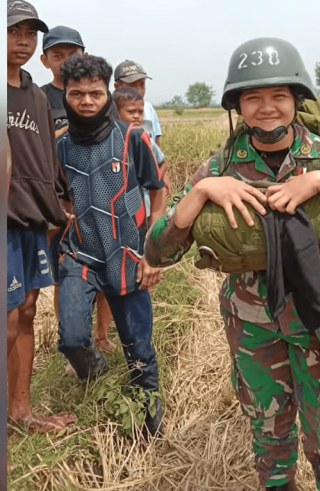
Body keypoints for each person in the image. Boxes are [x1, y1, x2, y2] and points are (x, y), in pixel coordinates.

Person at [145, 38, 320, 490]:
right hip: (254, 325)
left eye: (279, 96)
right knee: (270, 445)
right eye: (253, 97)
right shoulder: (220, 166)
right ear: (237, 106)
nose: (266, 108)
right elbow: (157, 252)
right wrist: (201, 193)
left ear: (297, 100)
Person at [56, 53, 166, 435]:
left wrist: (152, 253)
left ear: (108, 94)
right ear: (66, 95)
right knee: (71, 339)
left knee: (139, 353)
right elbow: (61, 196)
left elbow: (158, 190)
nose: (86, 101)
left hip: (128, 255)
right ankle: (99, 380)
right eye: (76, 94)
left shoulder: (133, 138)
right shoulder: (61, 147)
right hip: (80, 254)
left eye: (95, 93)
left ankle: (149, 430)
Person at [7, 0, 76, 433]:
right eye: (15, 31)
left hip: (34, 217)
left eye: (30, 34)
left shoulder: (36, 98)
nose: (23, 41)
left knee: (29, 309)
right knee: (9, 315)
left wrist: (62, 206)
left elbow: (48, 161)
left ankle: (21, 409)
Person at [39, 25, 116, 356]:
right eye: (57, 55)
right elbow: (34, 149)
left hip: (98, 201)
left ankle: (102, 334)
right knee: (63, 276)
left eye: (71, 54)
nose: (64, 60)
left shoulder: (99, 95)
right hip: (60, 204)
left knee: (105, 275)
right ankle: (72, 341)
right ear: (45, 60)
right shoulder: (39, 98)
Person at [113, 59, 172, 196]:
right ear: (117, 86)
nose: (139, 90)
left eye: (142, 84)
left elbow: (156, 145)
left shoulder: (149, 109)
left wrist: (163, 176)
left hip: (148, 188)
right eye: (132, 85)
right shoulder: (111, 112)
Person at [113, 86, 167, 218]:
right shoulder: (110, 142)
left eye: (140, 112)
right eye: (131, 112)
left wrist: (154, 178)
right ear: (115, 112)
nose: (137, 116)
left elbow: (163, 163)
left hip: (145, 207)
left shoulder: (144, 139)